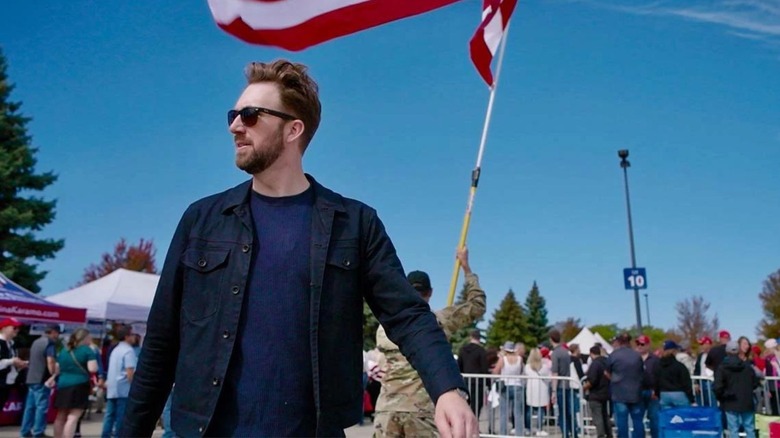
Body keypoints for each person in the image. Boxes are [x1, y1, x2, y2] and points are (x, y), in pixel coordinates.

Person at [120, 59, 476, 438]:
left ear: (293, 129)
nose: (235, 125)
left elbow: (408, 315)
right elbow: (162, 340)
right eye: (233, 114)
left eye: (251, 115)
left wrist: (448, 390)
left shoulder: (354, 223)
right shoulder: (202, 220)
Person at [373, 248, 485, 437]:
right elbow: (477, 304)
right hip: (421, 410)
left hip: (387, 409)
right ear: (430, 292)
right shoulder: (436, 321)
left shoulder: (384, 326)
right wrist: (466, 269)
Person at [51, 328, 98, 438]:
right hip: (79, 385)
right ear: (85, 338)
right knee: (73, 417)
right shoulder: (87, 350)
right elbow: (93, 369)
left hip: (63, 384)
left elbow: (57, 369)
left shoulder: (64, 350)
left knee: (60, 416)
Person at [713, 340, 760, 438]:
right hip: (746, 401)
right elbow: (755, 383)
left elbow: (717, 386)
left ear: (727, 351)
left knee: (733, 429)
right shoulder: (747, 367)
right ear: (739, 351)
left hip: (730, 401)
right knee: (749, 428)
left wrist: (722, 396)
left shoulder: (722, 368)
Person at [21, 324, 60, 438]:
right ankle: (38, 432)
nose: (57, 336)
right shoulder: (49, 343)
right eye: (57, 333)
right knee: (41, 407)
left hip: (31, 378)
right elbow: (50, 361)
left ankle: (25, 432)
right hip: (42, 379)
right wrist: (53, 374)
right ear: (53, 332)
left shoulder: (36, 342)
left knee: (29, 408)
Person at [607, 332, 644, 438]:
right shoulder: (637, 355)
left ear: (618, 341)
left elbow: (606, 372)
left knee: (622, 421)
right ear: (629, 341)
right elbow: (641, 371)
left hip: (619, 393)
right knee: (638, 420)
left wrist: (614, 379)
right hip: (635, 393)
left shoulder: (614, 355)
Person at [102, 326, 137, 438]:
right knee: (121, 417)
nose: (134, 337)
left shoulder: (115, 349)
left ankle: (105, 435)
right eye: (132, 335)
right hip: (123, 389)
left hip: (112, 387)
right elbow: (130, 372)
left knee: (109, 416)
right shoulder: (128, 351)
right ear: (127, 336)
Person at [493, 341, 523, 436]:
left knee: (503, 412)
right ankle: (519, 434)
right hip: (517, 385)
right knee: (518, 412)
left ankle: (503, 433)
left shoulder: (503, 359)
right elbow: (521, 371)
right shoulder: (520, 359)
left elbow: (495, 371)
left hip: (505, 385)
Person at [549, 330, 576, 438]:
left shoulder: (555, 353)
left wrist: (553, 391)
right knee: (569, 412)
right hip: (568, 385)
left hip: (560, 386)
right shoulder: (566, 352)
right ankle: (574, 432)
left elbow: (555, 372)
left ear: (551, 339)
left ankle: (565, 434)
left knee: (562, 413)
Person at [653, 340, 693, 409]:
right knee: (682, 416)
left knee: (668, 417)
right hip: (679, 394)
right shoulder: (679, 366)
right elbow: (686, 383)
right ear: (674, 351)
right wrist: (692, 399)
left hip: (664, 394)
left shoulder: (658, 365)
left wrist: (657, 393)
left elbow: (656, 381)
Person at [458, 329, 489, 418]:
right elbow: (484, 368)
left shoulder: (463, 350)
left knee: (465, 404)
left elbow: (459, 365)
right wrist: (487, 383)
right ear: (479, 338)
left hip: (465, 381)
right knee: (476, 405)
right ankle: (474, 423)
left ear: (470, 337)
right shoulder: (481, 351)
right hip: (478, 383)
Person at [0, 317, 27, 410]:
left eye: (18, 328)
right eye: (14, 328)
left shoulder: (12, 343)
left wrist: (19, 365)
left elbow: (11, 362)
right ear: (4, 328)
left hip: (8, 382)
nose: (17, 330)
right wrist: (12, 361)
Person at [635, 334, 659, 438]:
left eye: (642, 344)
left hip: (651, 391)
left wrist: (656, 390)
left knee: (654, 417)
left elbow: (659, 376)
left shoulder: (655, 359)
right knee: (637, 418)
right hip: (638, 392)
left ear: (647, 345)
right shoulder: (634, 358)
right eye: (638, 344)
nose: (639, 346)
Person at [583, 346, 610, 438]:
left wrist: (583, 388)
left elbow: (592, 380)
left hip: (595, 394)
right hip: (605, 392)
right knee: (605, 416)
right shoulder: (606, 362)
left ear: (591, 353)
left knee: (597, 417)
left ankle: (601, 435)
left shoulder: (595, 364)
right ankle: (609, 434)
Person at [524, 348, 550, 437]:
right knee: (540, 410)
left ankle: (528, 428)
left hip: (531, 389)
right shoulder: (544, 367)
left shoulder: (527, 367)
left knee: (529, 410)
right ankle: (539, 428)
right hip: (542, 389)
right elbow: (549, 378)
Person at [693, 336, 715, 406]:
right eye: (701, 345)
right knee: (702, 402)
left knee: (712, 401)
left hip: (710, 381)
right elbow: (696, 369)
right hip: (701, 381)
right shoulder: (700, 356)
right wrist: (696, 383)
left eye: (703, 344)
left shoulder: (714, 355)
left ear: (708, 344)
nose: (702, 347)